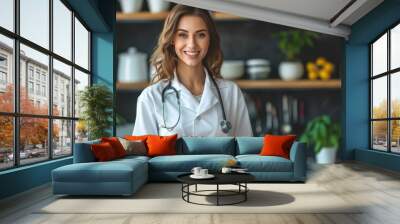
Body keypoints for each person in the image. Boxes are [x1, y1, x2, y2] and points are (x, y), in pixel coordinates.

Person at [132, 4, 252, 137]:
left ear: (210, 39)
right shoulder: (151, 98)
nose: (192, 44)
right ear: (172, 39)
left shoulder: (231, 93)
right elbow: (141, 155)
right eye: (183, 35)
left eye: (200, 35)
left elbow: (245, 154)